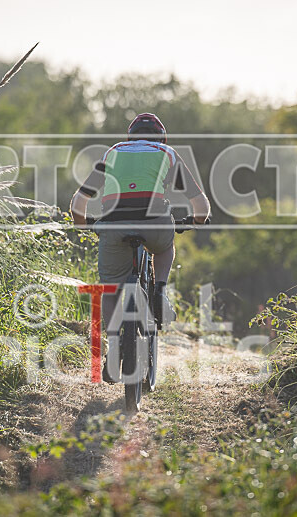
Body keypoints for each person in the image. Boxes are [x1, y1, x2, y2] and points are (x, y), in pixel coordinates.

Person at [70, 112, 211, 382]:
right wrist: (197, 220)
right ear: (161, 137)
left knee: (110, 289)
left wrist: (83, 224)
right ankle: (159, 290)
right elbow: (201, 205)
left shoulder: (112, 153)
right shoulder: (167, 153)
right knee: (164, 247)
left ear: (129, 137)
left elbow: (79, 202)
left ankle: (112, 348)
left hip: (113, 224)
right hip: (155, 224)